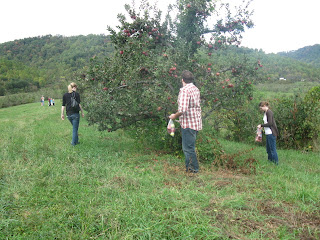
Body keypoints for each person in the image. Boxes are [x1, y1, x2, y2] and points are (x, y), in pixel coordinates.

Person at [169, 70, 202, 173]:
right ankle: (193, 168)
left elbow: (183, 110)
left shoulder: (184, 90)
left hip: (188, 123)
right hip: (196, 122)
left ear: (182, 80)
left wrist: (174, 116)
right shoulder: (195, 89)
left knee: (188, 148)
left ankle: (193, 169)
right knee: (190, 146)